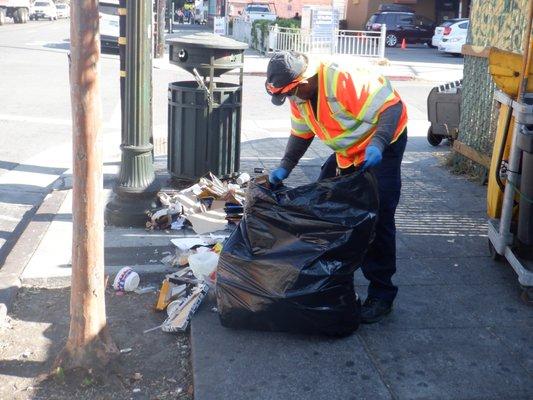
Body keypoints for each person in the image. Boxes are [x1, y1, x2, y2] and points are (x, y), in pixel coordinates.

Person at [265, 51, 408, 324]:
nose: (292, 100)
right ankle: (335, 275)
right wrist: (285, 166)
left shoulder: (344, 78)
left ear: (305, 80)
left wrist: (378, 145)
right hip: (350, 151)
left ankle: (382, 294)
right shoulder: (300, 94)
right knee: (326, 202)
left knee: (377, 216)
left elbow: (393, 108)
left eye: (292, 93)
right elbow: (301, 133)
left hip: (384, 143)